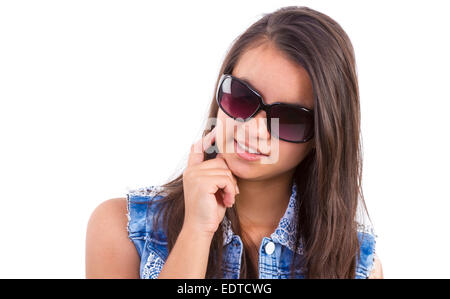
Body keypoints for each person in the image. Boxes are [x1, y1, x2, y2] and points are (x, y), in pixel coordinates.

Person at [85, 6, 383, 279]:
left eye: (289, 118)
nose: (253, 130)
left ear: (323, 136)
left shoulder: (356, 265)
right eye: (242, 97)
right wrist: (196, 232)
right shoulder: (122, 229)